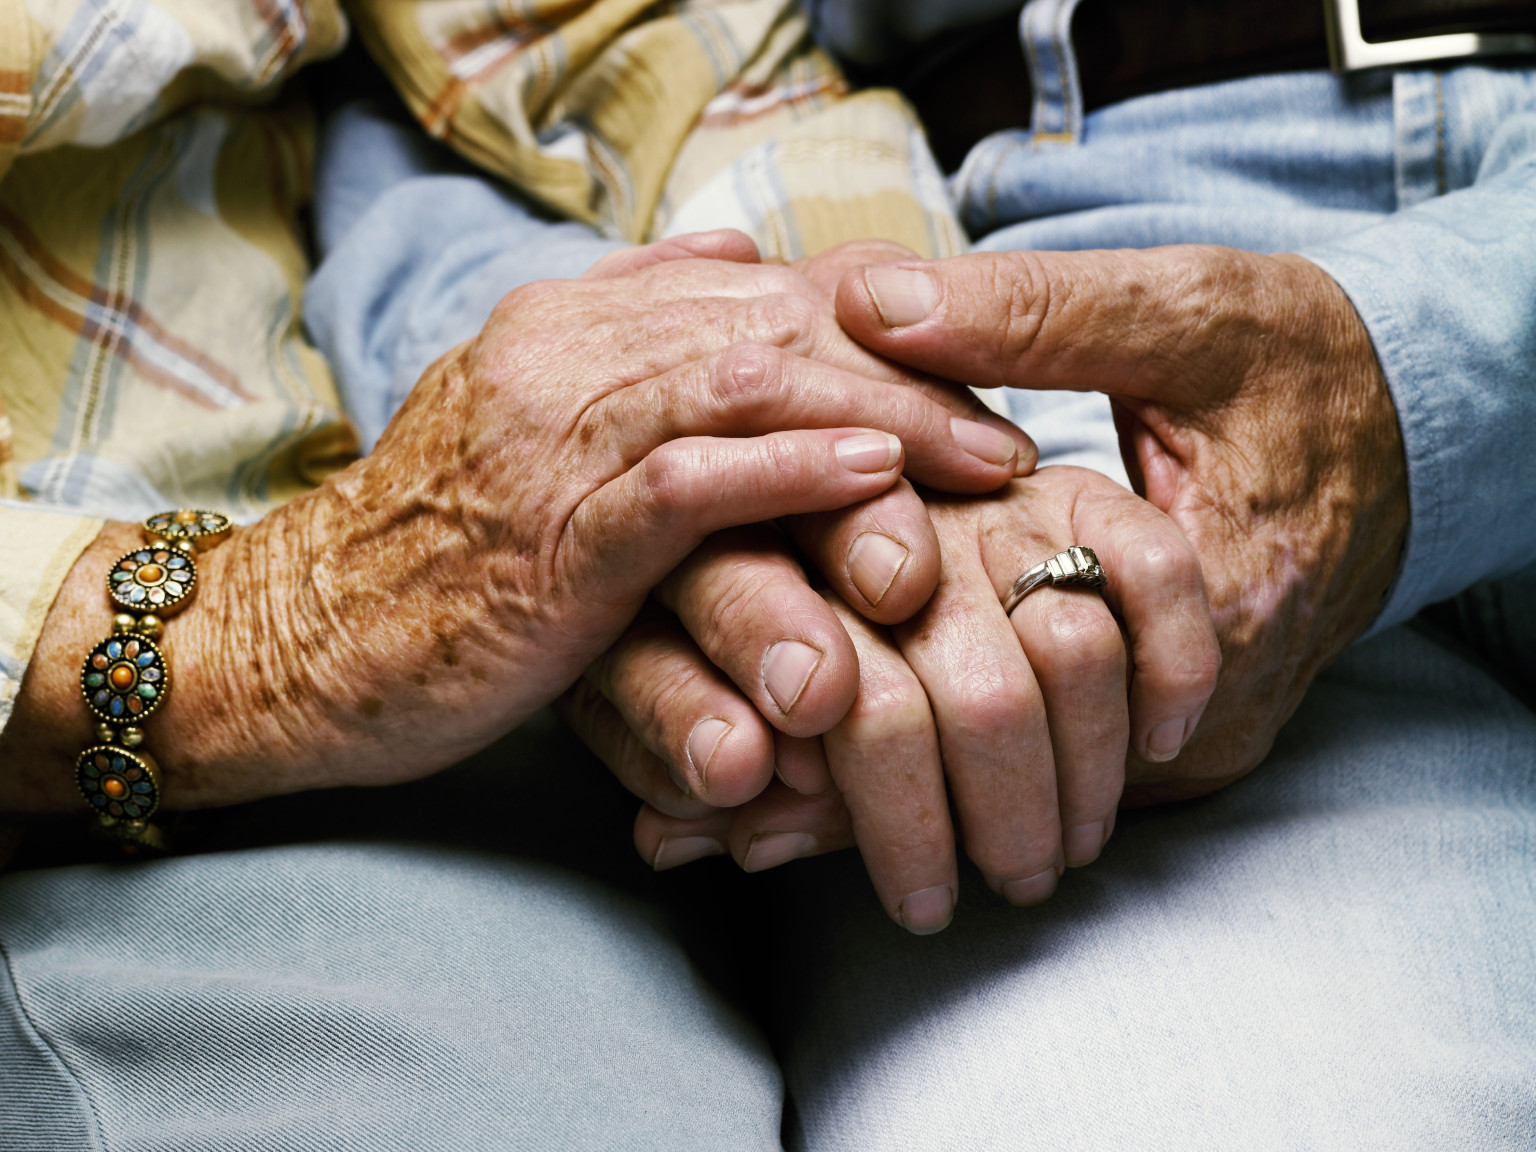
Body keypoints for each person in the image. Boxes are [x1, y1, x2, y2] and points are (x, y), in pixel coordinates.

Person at [3, 3, 1535, 1151]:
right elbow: (488, 118)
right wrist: (683, 439)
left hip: (1093, 347)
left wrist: (1431, 382)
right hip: (1091, 252)